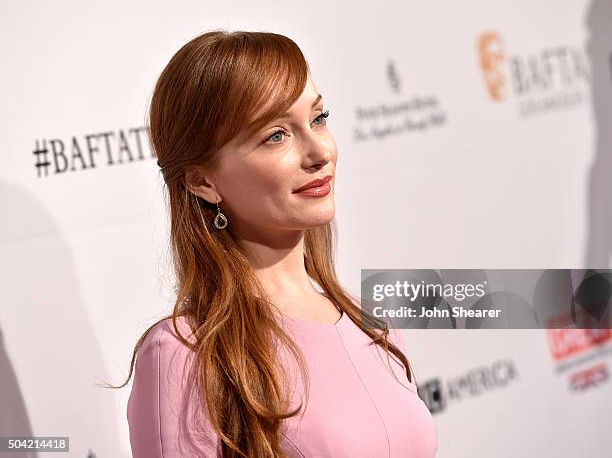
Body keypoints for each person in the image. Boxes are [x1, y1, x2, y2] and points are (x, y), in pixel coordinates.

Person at [118, 29, 438, 457]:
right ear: (202, 180)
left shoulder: (372, 322)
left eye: (318, 119)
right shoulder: (184, 354)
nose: (319, 152)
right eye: (276, 135)